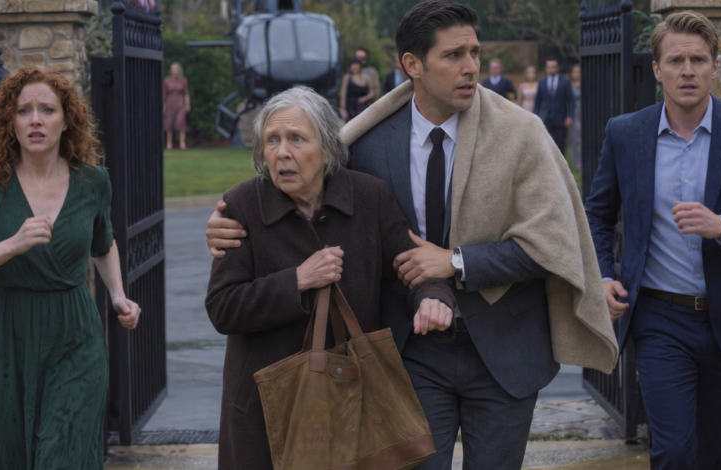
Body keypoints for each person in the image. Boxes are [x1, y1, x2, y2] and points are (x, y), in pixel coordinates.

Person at [207, 2, 618, 468]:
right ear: (412, 64)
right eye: (453, 55)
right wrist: (228, 224)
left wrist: (456, 262)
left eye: (474, 52)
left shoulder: (521, 134)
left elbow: (553, 245)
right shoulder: (369, 142)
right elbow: (309, 192)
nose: (471, 67)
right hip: (410, 353)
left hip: (505, 352)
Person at [204, 86, 456, 470]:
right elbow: (223, 308)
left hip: (351, 400)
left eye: (296, 139)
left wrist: (432, 297)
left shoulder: (369, 197)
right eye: (272, 140)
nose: (282, 153)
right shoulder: (241, 206)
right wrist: (296, 280)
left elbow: (411, 265)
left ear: (328, 150)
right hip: (264, 409)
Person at [585, 11, 721, 470]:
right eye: (675, 61)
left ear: (715, 66)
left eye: (698, 60)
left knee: (717, 455)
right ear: (657, 70)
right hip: (660, 319)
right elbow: (596, 215)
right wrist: (603, 276)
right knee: (673, 451)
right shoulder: (625, 133)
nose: (687, 71)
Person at [0, 67, 142, 469]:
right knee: (14, 458)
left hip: (74, 335)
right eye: (23, 111)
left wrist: (118, 296)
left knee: (63, 455)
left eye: (47, 110)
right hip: (7, 337)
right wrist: (13, 244)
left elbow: (103, 244)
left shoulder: (93, 182)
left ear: (66, 120)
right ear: (10, 121)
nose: (35, 120)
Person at [533, 58, 575, 154]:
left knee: (560, 144)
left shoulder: (565, 81)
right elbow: (537, 101)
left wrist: (570, 116)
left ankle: (560, 163)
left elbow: (571, 100)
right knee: (544, 144)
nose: (551, 69)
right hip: (544, 117)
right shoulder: (541, 82)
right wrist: (535, 116)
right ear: (546, 68)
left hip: (560, 117)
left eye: (553, 66)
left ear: (558, 67)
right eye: (549, 67)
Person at [163, 61, 191, 150]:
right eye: (172, 69)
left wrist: (187, 104)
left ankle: (182, 143)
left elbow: (186, 93)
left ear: (179, 70)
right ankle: (169, 143)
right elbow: (164, 94)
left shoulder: (184, 80)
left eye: (175, 69)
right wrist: (163, 106)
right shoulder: (166, 81)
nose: (173, 71)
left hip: (180, 103)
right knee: (169, 123)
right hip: (169, 103)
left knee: (181, 122)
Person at [568, 64, 582, 169]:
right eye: (574, 72)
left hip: (583, 113)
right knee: (574, 138)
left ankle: (583, 160)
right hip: (573, 113)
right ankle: (575, 162)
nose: (576, 74)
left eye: (578, 72)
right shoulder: (568, 85)